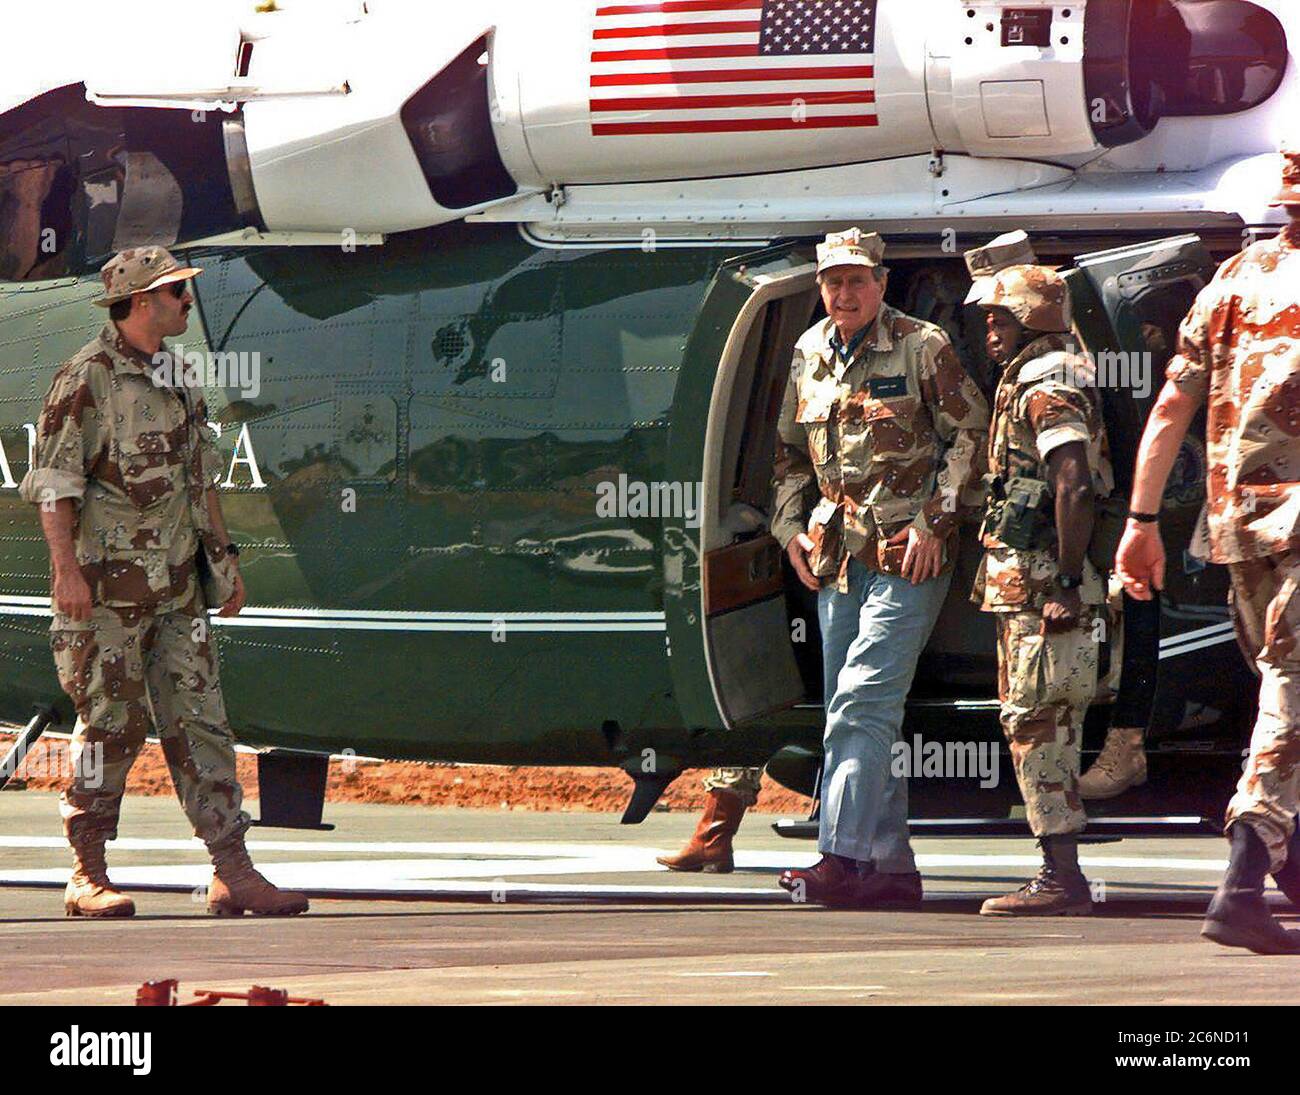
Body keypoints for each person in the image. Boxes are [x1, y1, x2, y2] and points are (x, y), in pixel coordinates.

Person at [19, 246, 309, 919]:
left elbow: (199, 479)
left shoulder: (179, 375)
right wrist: (66, 575)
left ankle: (232, 869)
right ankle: (85, 871)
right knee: (109, 728)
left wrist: (224, 559)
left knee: (203, 722)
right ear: (143, 300)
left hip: (179, 590)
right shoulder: (84, 379)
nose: (187, 302)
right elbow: (55, 490)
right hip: (108, 596)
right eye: (177, 291)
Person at [770, 227, 990, 908]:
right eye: (833, 282)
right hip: (837, 559)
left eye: (857, 280)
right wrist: (788, 532)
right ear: (820, 287)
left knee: (861, 699)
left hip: (907, 555)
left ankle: (838, 854)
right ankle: (891, 867)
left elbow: (971, 434)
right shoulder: (808, 353)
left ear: (881, 284)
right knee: (863, 710)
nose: (844, 292)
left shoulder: (923, 345)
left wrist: (937, 518)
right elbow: (786, 456)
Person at [1116, 147, 1300, 953]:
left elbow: (1171, 408)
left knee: (1281, 691)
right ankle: (1243, 875)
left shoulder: (1229, 283)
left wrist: (1142, 521)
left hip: (1237, 530)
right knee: (1291, 694)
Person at [971, 265, 1113, 916]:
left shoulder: (1046, 381)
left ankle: (1062, 878)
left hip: (1043, 587)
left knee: (1040, 720)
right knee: (1039, 720)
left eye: (1001, 317)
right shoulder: (1046, 370)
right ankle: (1060, 872)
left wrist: (1062, 580)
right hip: (1026, 582)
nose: (989, 330)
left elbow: (1074, 484)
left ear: (1033, 318)